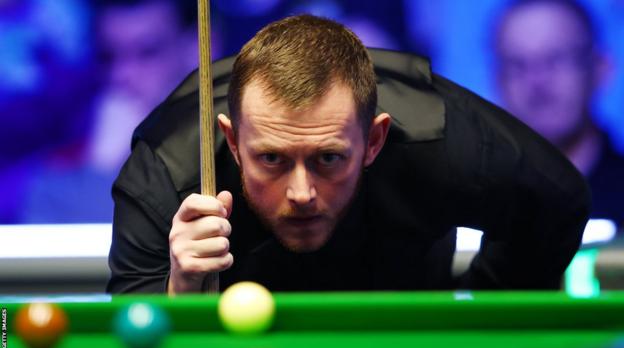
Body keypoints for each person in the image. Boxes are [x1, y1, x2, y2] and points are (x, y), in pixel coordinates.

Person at [107, 15, 590, 294]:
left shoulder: (441, 142)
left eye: (328, 159)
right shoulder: (168, 174)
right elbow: (138, 321)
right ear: (232, 142)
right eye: (272, 158)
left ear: (375, 141)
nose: (301, 193)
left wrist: (487, 309)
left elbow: (558, 200)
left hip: (404, 311)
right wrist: (180, 289)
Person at [21, 0, 209, 223]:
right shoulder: (56, 180)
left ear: (201, 47)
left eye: (148, 52)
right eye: (108, 56)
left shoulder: (238, 156)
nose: (122, 74)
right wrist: (103, 170)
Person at [493, 0, 624, 227]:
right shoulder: (471, 206)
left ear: (600, 68)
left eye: (555, 59)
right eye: (518, 65)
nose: (537, 81)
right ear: (498, 81)